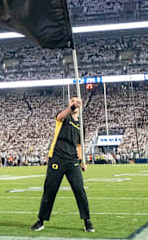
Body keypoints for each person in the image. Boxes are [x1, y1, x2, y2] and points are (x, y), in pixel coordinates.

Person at [31, 95, 93, 233]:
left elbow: (79, 145)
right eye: (72, 101)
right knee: (50, 190)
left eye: (76, 101)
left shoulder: (81, 125)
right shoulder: (64, 117)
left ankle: (87, 221)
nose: (74, 103)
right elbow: (60, 116)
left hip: (72, 162)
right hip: (57, 159)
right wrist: (72, 107)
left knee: (79, 190)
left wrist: (82, 161)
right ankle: (41, 220)